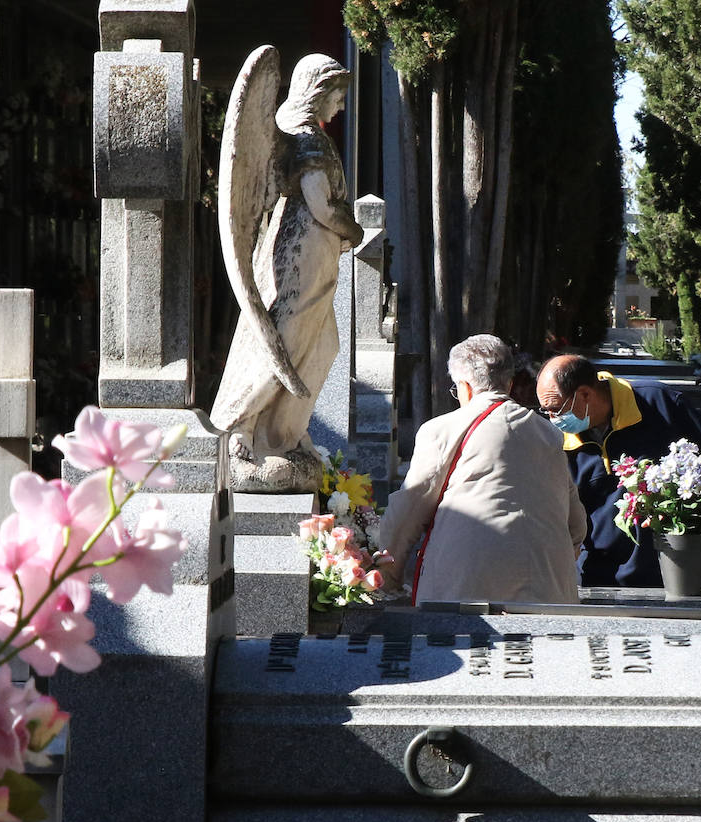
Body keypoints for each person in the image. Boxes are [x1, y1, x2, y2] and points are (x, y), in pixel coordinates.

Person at [210, 53, 365, 477]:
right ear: (319, 90)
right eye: (338, 95)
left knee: (322, 345)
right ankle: (241, 426)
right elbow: (319, 204)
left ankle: (285, 434)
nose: (341, 106)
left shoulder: (310, 133)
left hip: (318, 254)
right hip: (302, 253)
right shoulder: (305, 138)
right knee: (287, 342)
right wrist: (352, 230)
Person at [379, 335, 587, 604]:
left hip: (466, 585)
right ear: (509, 384)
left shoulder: (441, 430)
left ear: (464, 387)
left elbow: (407, 512)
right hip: (549, 588)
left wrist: (386, 578)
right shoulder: (548, 433)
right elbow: (577, 524)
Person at [536, 354, 701, 587]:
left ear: (585, 394)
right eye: (547, 412)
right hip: (598, 574)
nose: (553, 419)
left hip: (673, 566)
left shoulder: (661, 403)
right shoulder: (558, 439)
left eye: (556, 409)